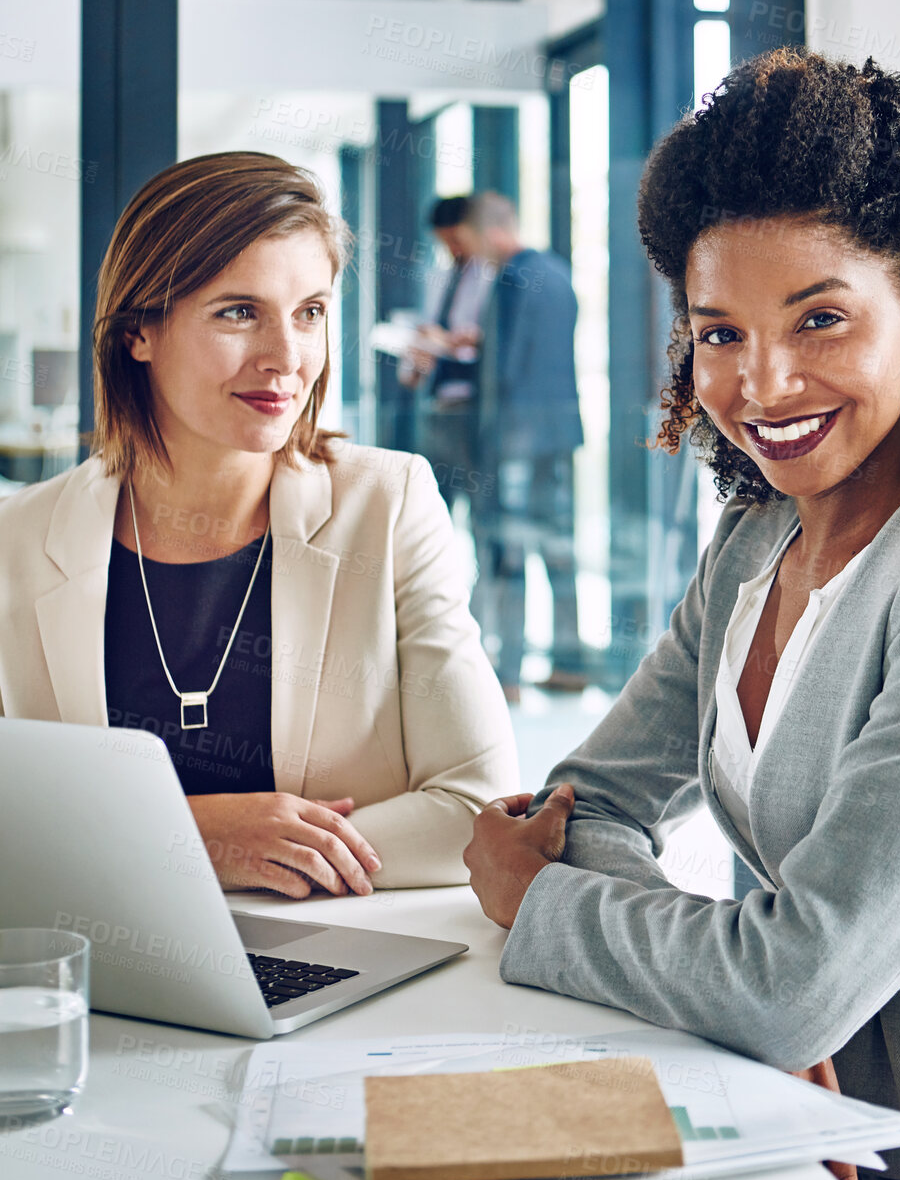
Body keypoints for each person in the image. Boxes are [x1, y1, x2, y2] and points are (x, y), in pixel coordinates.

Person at [464, 50, 900, 1180]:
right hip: (815, 1118)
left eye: (819, 319)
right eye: (719, 333)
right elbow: (586, 804)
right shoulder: (752, 545)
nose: (761, 383)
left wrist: (541, 904)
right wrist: (747, 991)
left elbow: (787, 981)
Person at [0, 151, 518, 896]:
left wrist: (245, 849)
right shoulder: (17, 541)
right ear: (138, 331)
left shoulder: (389, 503)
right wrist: (198, 839)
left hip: (346, 969)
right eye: (238, 311)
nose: (287, 358)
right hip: (97, 976)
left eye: (309, 311)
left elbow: (479, 808)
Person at [466, 192, 585, 704]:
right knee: (558, 551)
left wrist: (488, 437)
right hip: (557, 438)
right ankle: (570, 663)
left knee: (507, 554)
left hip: (514, 436)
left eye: (472, 244)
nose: (475, 257)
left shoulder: (512, 278)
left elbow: (506, 366)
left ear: (489, 233)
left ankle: (507, 672)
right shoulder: (558, 273)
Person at [399, 194, 490, 518]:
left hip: (473, 405)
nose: (452, 249)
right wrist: (414, 362)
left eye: (455, 239)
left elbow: (489, 341)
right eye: (444, 242)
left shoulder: (492, 275)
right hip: (437, 402)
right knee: (436, 501)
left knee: (479, 499)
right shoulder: (440, 277)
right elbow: (429, 328)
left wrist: (457, 341)